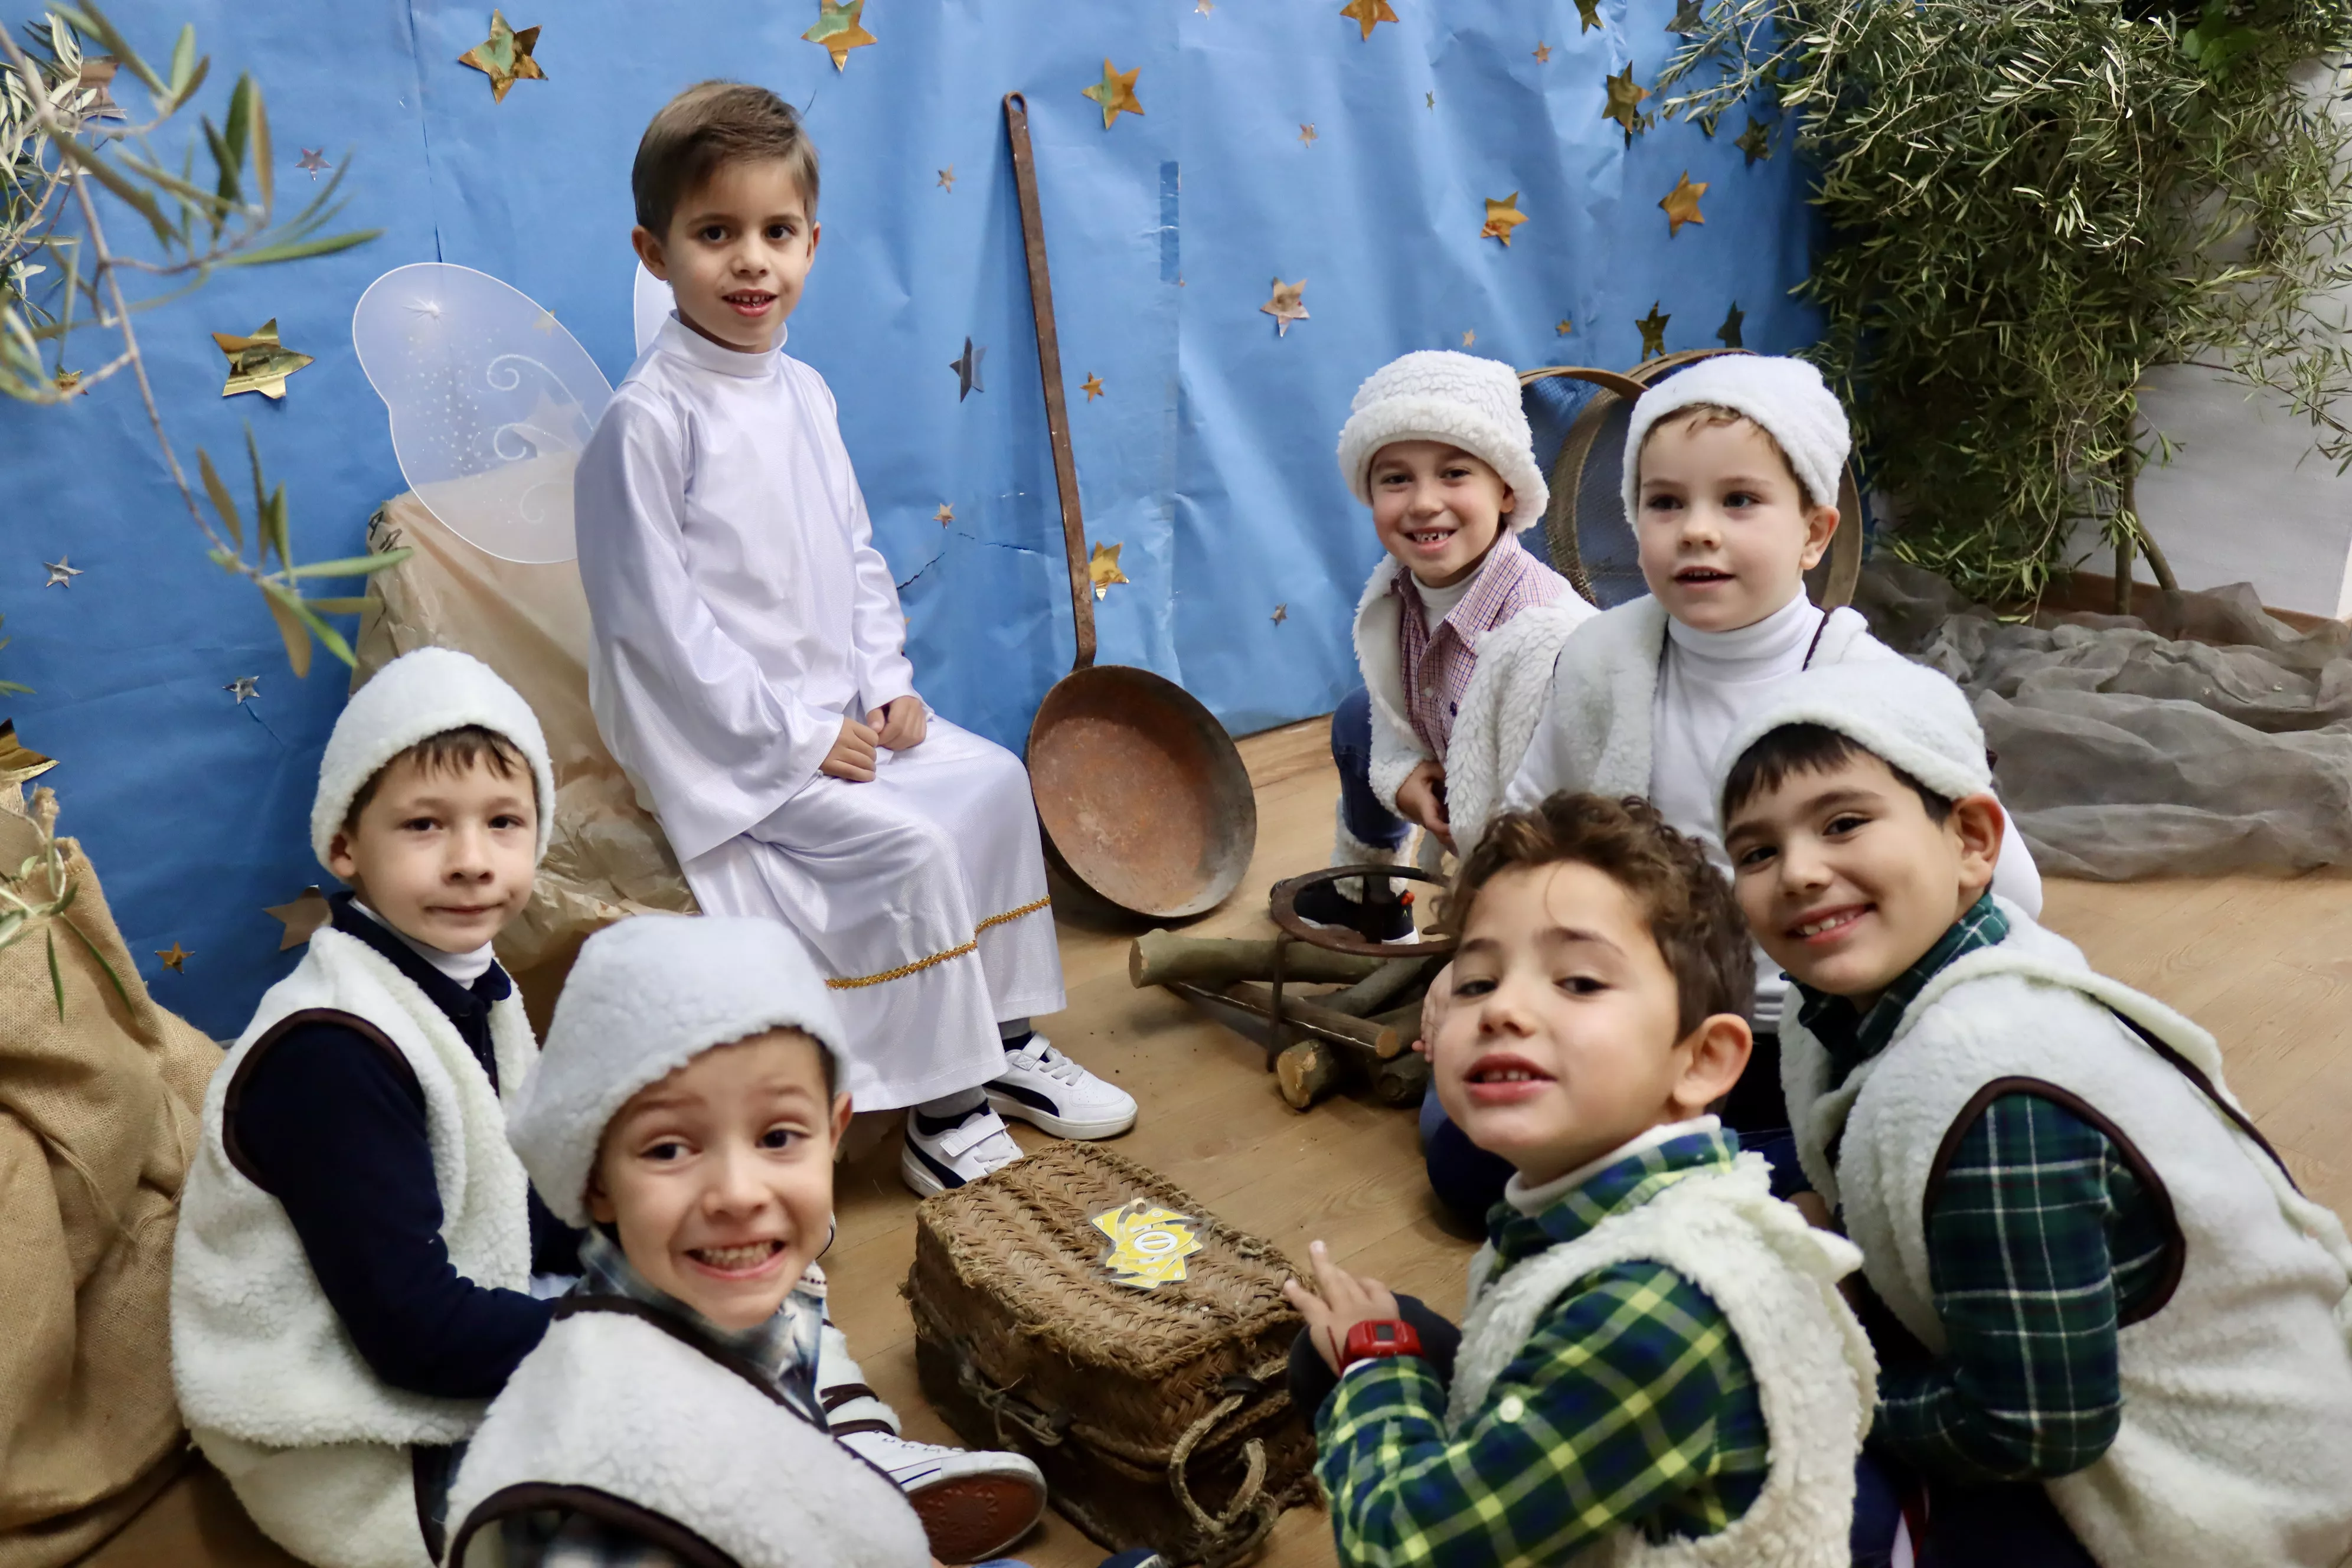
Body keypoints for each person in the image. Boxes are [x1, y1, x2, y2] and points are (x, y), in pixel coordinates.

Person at [571, 80, 1133, 1203]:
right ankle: (940, 1103)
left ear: (812, 244)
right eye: (714, 234)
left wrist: (883, 682)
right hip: (722, 741)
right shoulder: (649, 420)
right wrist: (792, 736)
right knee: (908, 849)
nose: (750, 264)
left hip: (831, 705)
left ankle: (1000, 1032)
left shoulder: (803, 392)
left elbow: (853, 552)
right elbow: (656, 627)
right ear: (653, 249)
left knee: (984, 782)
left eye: (776, 234)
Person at [1714, 658, 2352, 1568]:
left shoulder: (1987, 1088)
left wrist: (1818, 1390)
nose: (1802, 873)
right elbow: (1858, 1166)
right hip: (2123, 1378)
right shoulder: (1895, 993)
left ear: (1972, 840)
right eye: (1758, 851)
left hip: (2215, 1478)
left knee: (1776, 1489)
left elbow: (2035, 1430)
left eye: (1845, 823)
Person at [1414, 354, 2043, 1223]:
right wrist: (1475, 966)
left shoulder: (1880, 694)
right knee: (1461, 1156)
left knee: (1873, 1156)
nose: (1697, 532)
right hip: (1647, 1009)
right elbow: (1530, 822)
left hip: (1815, 1033)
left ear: (1815, 533)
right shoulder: (1603, 661)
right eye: (1666, 504)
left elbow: (2009, 893)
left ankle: (1716, 1185)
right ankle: (1708, 1188)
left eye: (1739, 501)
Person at [1285, 792, 1877, 1567]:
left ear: (1699, 1061)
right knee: (1326, 1352)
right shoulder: (1607, 1198)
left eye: (1580, 983)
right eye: (1476, 982)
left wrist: (1375, 1360)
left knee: (1351, 1359)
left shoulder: (1656, 1309)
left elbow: (1402, 1551)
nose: (1506, 1010)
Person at [172, 648, 574, 1568]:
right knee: (678, 1436)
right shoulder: (333, 1052)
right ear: (346, 849)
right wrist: (636, 1334)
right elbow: (409, 1335)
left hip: (446, 1311)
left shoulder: (469, 985)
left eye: (504, 822)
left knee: (744, 1287)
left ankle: (855, 1444)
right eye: (426, 825)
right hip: (343, 1419)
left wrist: (640, 1240)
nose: (473, 862)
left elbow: (514, 1190)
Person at [1305, 349, 1592, 942]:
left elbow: (1556, 796)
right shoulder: (1398, 591)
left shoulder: (1546, 633)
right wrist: (1405, 777)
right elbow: (1393, 710)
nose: (1423, 502)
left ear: (1507, 490)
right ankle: (1373, 895)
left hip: (1550, 841)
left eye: (1455, 473)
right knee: (1359, 716)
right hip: (1455, 783)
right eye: (1396, 478)